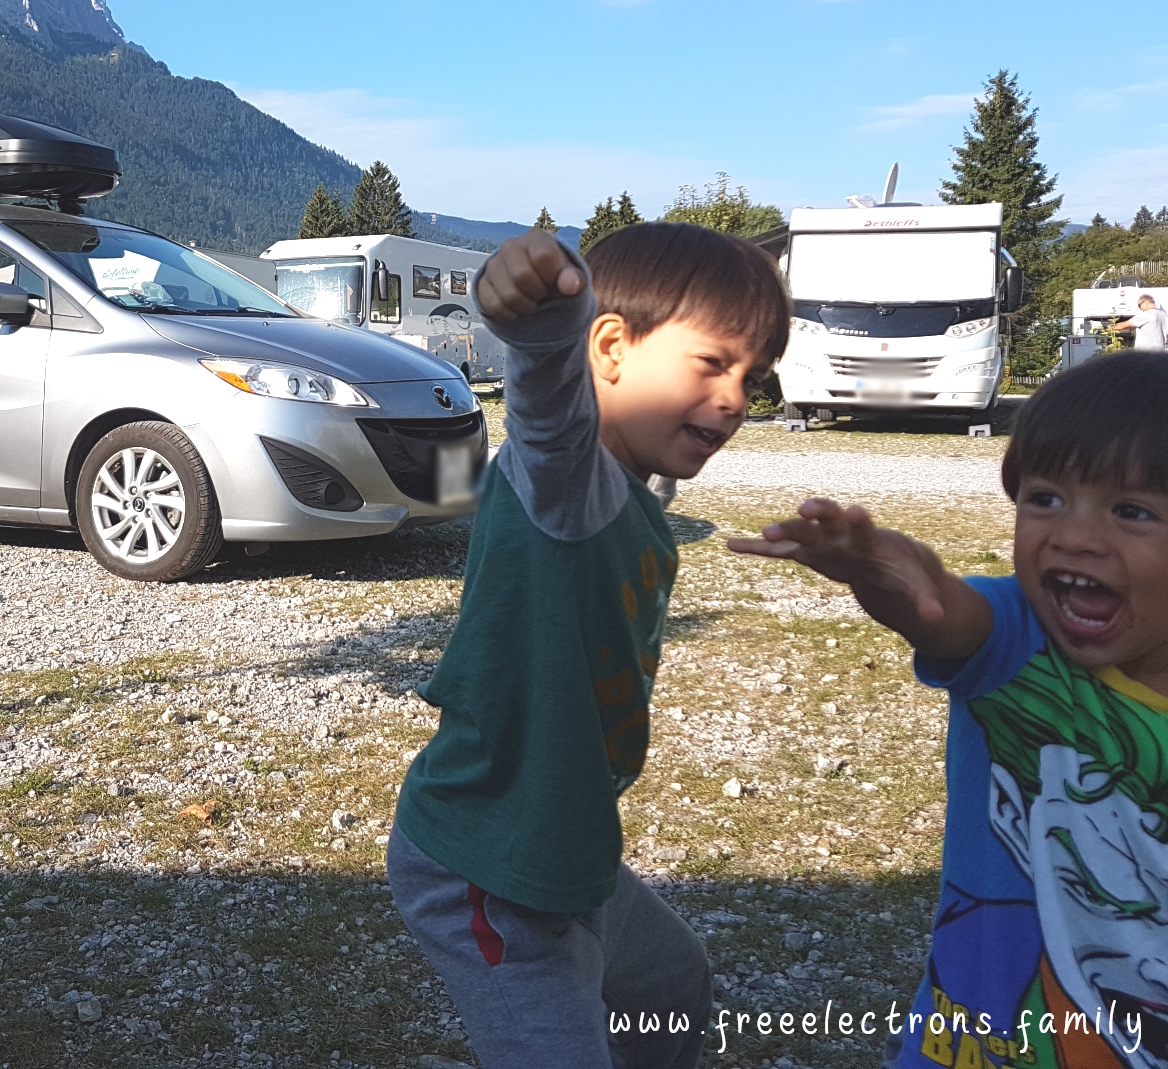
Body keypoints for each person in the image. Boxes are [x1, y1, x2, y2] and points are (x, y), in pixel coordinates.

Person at [387, 221, 789, 1069]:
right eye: (713, 363)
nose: (734, 399)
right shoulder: (566, 475)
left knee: (672, 985)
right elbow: (545, 400)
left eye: (752, 377)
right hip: (488, 868)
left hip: (567, 850)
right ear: (610, 347)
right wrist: (541, 321)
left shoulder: (633, 494)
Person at [730, 350, 1168, 1069]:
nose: (1075, 536)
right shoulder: (1020, 638)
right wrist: (885, 576)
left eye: (1131, 511)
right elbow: (941, 612)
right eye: (1044, 497)